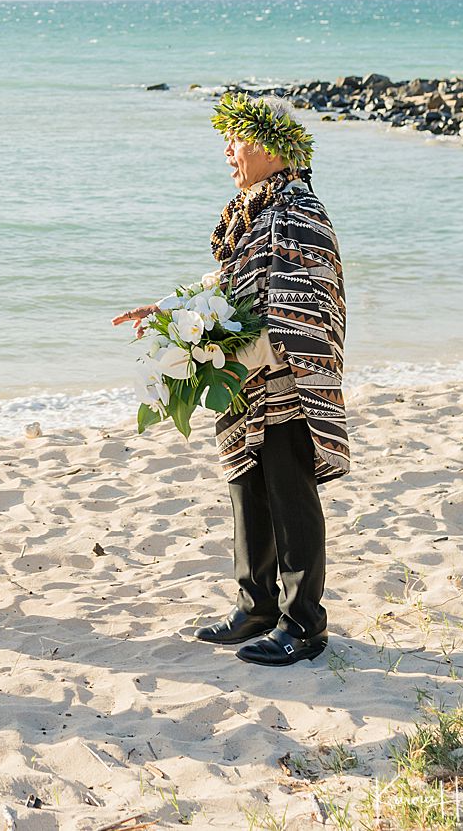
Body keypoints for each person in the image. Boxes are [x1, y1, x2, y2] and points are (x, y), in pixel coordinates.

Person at [119, 93, 348, 666]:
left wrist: (247, 356)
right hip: (247, 379)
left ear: (272, 147)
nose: (228, 152)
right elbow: (227, 287)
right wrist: (169, 313)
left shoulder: (299, 211)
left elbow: (310, 304)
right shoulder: (255, 209)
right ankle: (257, 607)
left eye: (237, 140)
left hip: (290, 380)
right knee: (248, 489)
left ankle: (304, 624)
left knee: (291, 495)